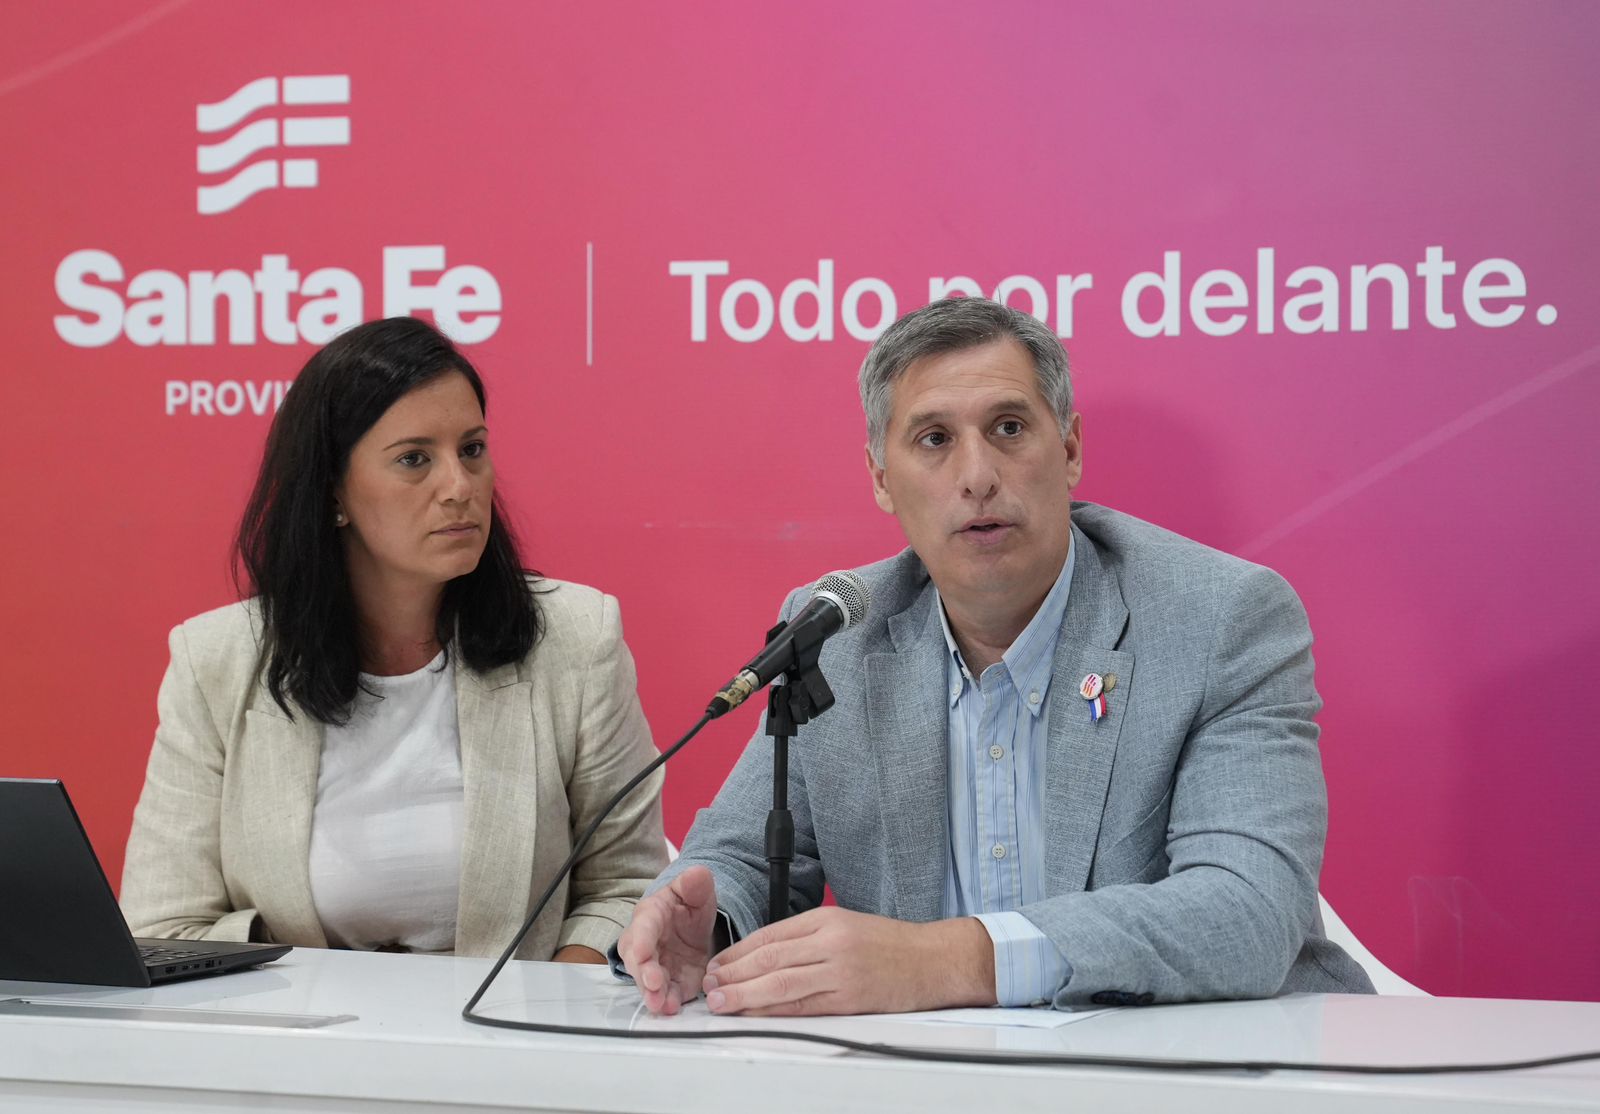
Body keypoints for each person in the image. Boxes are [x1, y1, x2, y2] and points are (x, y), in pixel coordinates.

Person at [617, 296, 1374, 1013]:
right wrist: (707, 926)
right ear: (882, 479)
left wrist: (945, 961)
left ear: (1068, 449)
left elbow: (1245, 911)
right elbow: (740, 858)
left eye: (1008, 428)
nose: (977, 476)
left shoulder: (1220, 618)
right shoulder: (836, 634)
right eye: (934, 440)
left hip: (1223, 1066)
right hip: (936, 1075)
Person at [122, 317, 666, 962]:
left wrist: (545, 1003)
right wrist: (327, 984)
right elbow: (163, 928)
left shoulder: (576, 638)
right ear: (333, 492)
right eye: (414, 459)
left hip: (513, 1021)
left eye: (472, 449)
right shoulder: (216, 661)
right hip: (299, 1022)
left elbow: (628, 886)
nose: (459, 487)